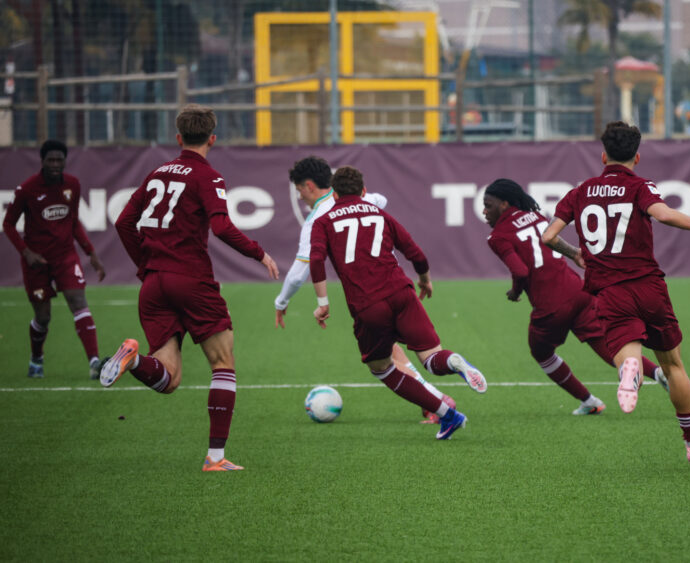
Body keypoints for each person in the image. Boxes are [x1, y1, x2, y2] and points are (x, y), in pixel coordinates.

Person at [541, 121, 690, 463]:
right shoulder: (639, 186)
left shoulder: (579, 192)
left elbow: (547, 236)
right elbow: (663, 215)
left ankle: (630, 369)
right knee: (673, 364)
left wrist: (574, 253)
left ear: (603, 155)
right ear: (637, 157)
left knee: (625, 350)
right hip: (649, 285)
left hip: (608, 289)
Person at [103, 104, 280, 472]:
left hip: (154, 284)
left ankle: (133, 359)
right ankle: (215, 458)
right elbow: (221, 228)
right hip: (190, 280)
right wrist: (259, 254)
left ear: (179, 138)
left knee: (168, 379)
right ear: (212, 139)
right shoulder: (208, 176)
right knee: (223, 362)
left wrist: (144, 265)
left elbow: (123, 222)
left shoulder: (157, 173)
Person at [309, 165, 487, 440]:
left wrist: (323, 302)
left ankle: (446, 413)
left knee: (382, 368)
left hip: (369, 305)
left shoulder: (324, 221)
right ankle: (454, 363)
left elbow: (317, 259)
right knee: (430, 358)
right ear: (364, 191)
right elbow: (415, 252)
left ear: (333, 195)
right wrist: (425, 279)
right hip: (402, 293)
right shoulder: (381, 215)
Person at [273, 155, 455, 423]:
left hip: (366, 295)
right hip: (395, 284)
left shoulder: (316, 221)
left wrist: (281, 302)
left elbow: (300, 274)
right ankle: (435, 400)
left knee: (383, 362)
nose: (300, 196)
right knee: (399, 351)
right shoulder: (369, 201)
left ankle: (436, 403)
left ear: (310, 186)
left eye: (299, 189)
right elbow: (380, 201)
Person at [482, 178, 669, 415]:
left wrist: (515, 291)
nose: (484, 211)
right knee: (606, 344)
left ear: (504, 204)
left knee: (540, 352)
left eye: (488, 205)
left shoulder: (497, 236)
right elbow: (553, 240)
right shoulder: (536, 216)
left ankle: (588, 401)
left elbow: (520, 271)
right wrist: (573, 255)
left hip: (551, 306)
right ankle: (659, 373)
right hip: (579, 291)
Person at [3, 139, 107, 379]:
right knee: (43, 316)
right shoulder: (27, 190)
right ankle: (36, 358)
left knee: (78, 300)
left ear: (64, 162)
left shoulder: (72, 185)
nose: (55, 164)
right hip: (36, 262)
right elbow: (8, 224)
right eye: (50, 160)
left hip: (65, 257)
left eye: (59, 160)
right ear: (42, 161)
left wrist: (90, 253)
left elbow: (73, 221)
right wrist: (26, 252)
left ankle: (94, 362)